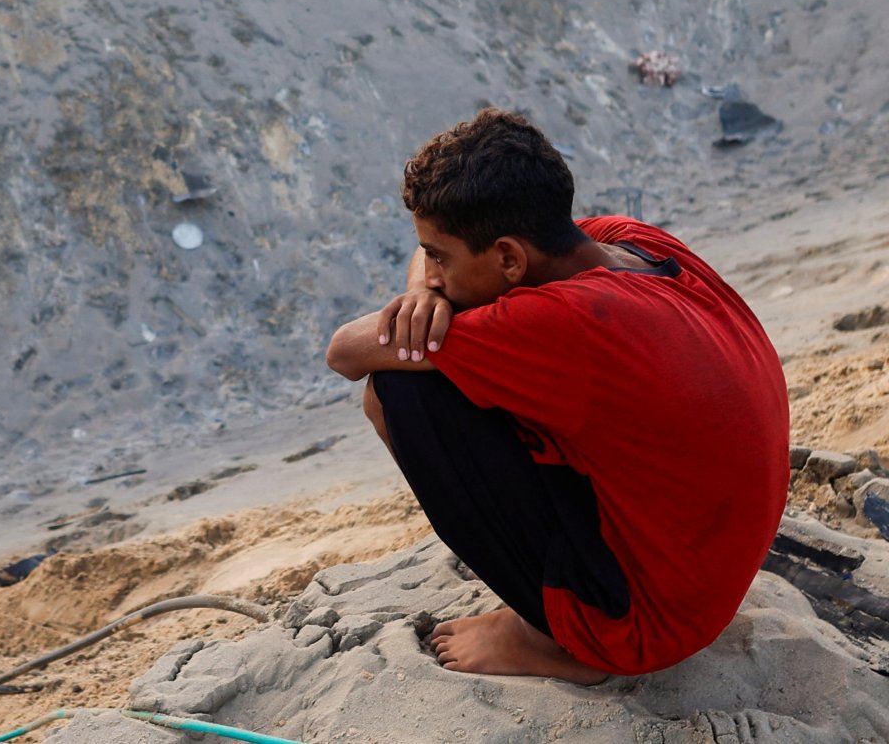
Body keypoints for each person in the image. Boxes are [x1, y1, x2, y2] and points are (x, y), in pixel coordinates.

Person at [327, 109, 787, 685]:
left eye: (442, 258)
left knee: (399, 387)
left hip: (644, 625)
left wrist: (421, 304)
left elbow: (346, 352)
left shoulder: (562, 322)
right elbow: (433, 262)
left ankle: (557, 641)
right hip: (703, 575)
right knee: (440, 356)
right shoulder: (629, 242)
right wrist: (426, 288)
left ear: (510, 259)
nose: (433, 272)